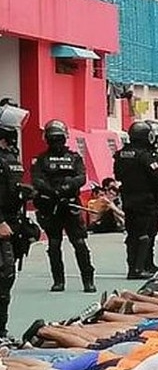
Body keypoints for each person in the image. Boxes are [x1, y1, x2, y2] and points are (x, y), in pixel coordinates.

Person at [30, 120, 95, 293]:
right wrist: (53, 191)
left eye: (59, 139)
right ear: (47, 139)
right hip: (50, 205)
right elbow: (37, 180)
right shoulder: (41, 159)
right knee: (54, 244)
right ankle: (58, 281)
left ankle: (88, 280)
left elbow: (81, 177)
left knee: (79, 243)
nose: (56, 142)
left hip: (70, 203)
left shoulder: (74, 157)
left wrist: (66, 186)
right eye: (53, 139)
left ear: (65, 138)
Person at [113, 120, 158, 280]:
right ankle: (138, 268)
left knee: (135, 234)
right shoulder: (145, 156)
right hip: (146, 199)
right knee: (144, 234)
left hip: (129, 198)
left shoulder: (122, 154)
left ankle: (145, 264)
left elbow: (118, 175)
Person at [0, 103, 25, 339]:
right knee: (4, 275)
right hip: (2, 224)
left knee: (7, 277)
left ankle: (2, 330)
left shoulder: (10, 156)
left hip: (12, 221)